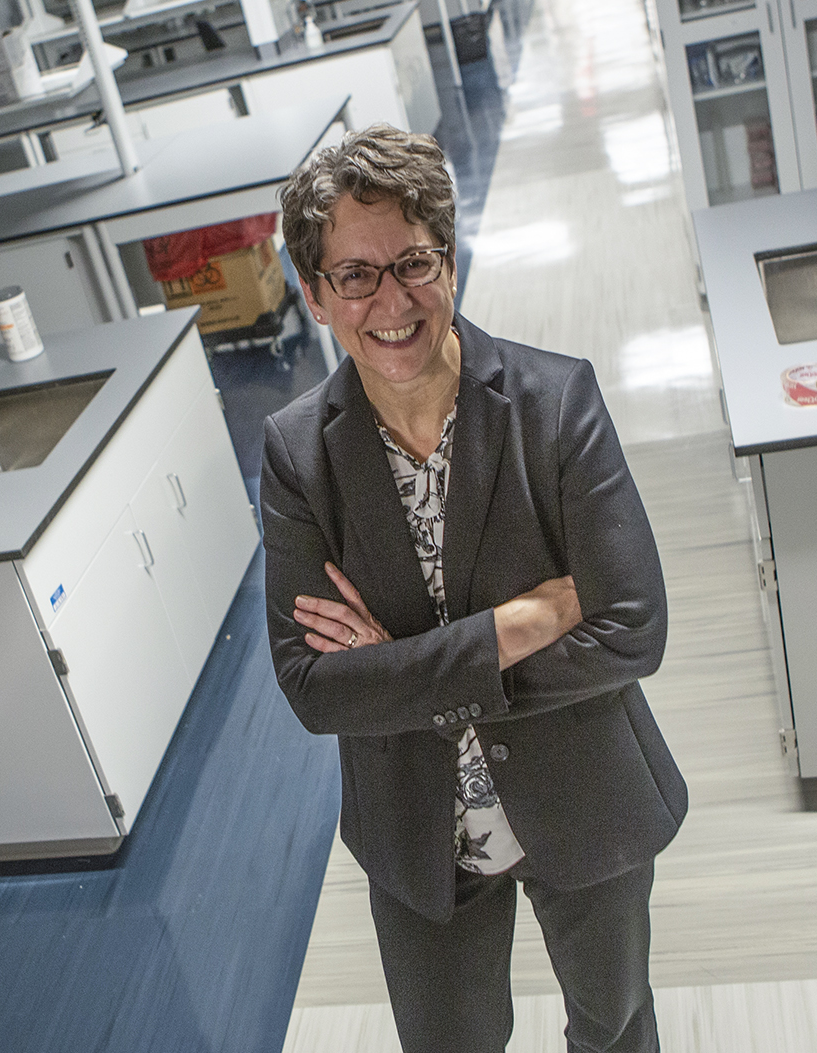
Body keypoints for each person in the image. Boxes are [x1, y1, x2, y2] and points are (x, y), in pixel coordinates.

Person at [261, 124, 686, 1053]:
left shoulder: (554, 402)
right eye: (355, 275)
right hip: (415, 829)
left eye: (412, 261)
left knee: (612, 1024)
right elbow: (312, 686)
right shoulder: (298, 456)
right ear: (315, 294)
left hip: (583, 792)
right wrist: (518, 622)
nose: (392, 300)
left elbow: (632, 628)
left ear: (450, 261)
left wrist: (403, 672)